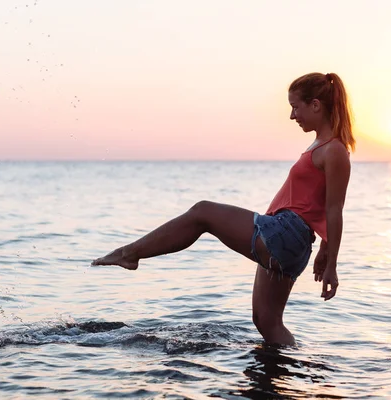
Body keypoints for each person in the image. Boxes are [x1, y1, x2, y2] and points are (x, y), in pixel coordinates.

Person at [92, 72, 355, 345]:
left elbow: (335, 209)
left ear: (315, 105)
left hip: (286, 234)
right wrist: (323, 249)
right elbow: (324, 205)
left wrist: (332, 265)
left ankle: (129, 254)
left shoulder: (334, 150)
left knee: (203, 212)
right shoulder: (322, 146)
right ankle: (290, 371)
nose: (292, 116)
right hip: (288, 241)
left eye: (295, 107)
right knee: (266, 322)